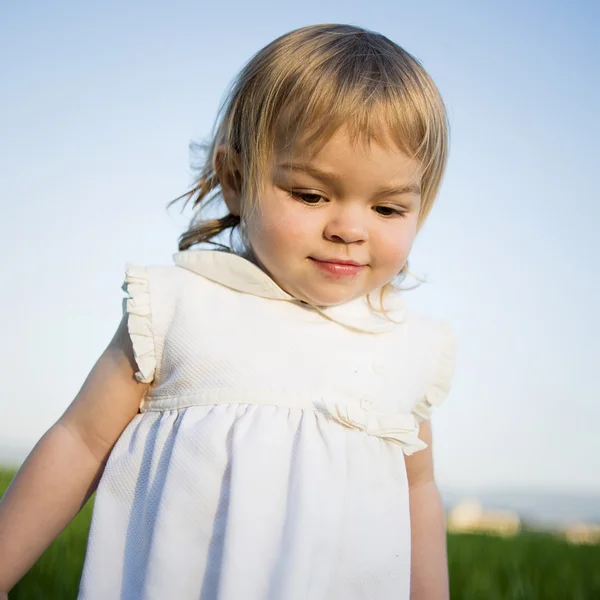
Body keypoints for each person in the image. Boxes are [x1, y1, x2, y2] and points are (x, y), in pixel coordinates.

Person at [0, 23, 458, 600]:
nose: (349, 228)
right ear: (236, 180)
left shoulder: (405, 347)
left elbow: (417, 493)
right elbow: (80, 442)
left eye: (388, 207)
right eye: (312, 195)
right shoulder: (179, 307)